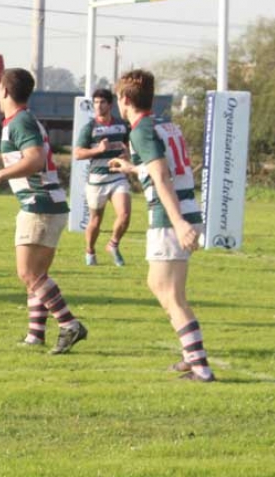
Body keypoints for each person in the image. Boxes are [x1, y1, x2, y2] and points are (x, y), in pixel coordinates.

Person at [108, 69, 215, 382]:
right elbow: (164, 167)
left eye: (118, 98)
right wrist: (132, 167)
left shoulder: (140, 129)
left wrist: (179, 223)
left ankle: (200, 367)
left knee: (168, 293)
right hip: (186, 210)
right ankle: (190, 358)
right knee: (169, 290)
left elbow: (163, 176)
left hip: (170, 217)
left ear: (125, 99)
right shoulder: (165, 124)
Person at [0, 68, 87, 354]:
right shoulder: (20, 120)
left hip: (39, 204)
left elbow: (35, 160)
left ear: (4, 90)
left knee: (28, 273)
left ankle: (69, 324)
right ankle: (35, 335)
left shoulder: (20, 121)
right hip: (49, 203)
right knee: (38, 275)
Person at [73, 88, 131, 266]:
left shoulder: (121, 124)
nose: (98, 106)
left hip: (117, 177)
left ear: (110, 105)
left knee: (125, 214)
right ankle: (90, 251)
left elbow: (130, 146)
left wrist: (127, 155)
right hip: (97, 180)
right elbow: (77, 153)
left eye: (102, 102)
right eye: (96, 102)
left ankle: (113, 244)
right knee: (96, 221)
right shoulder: (89, 128)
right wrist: (98, 150)